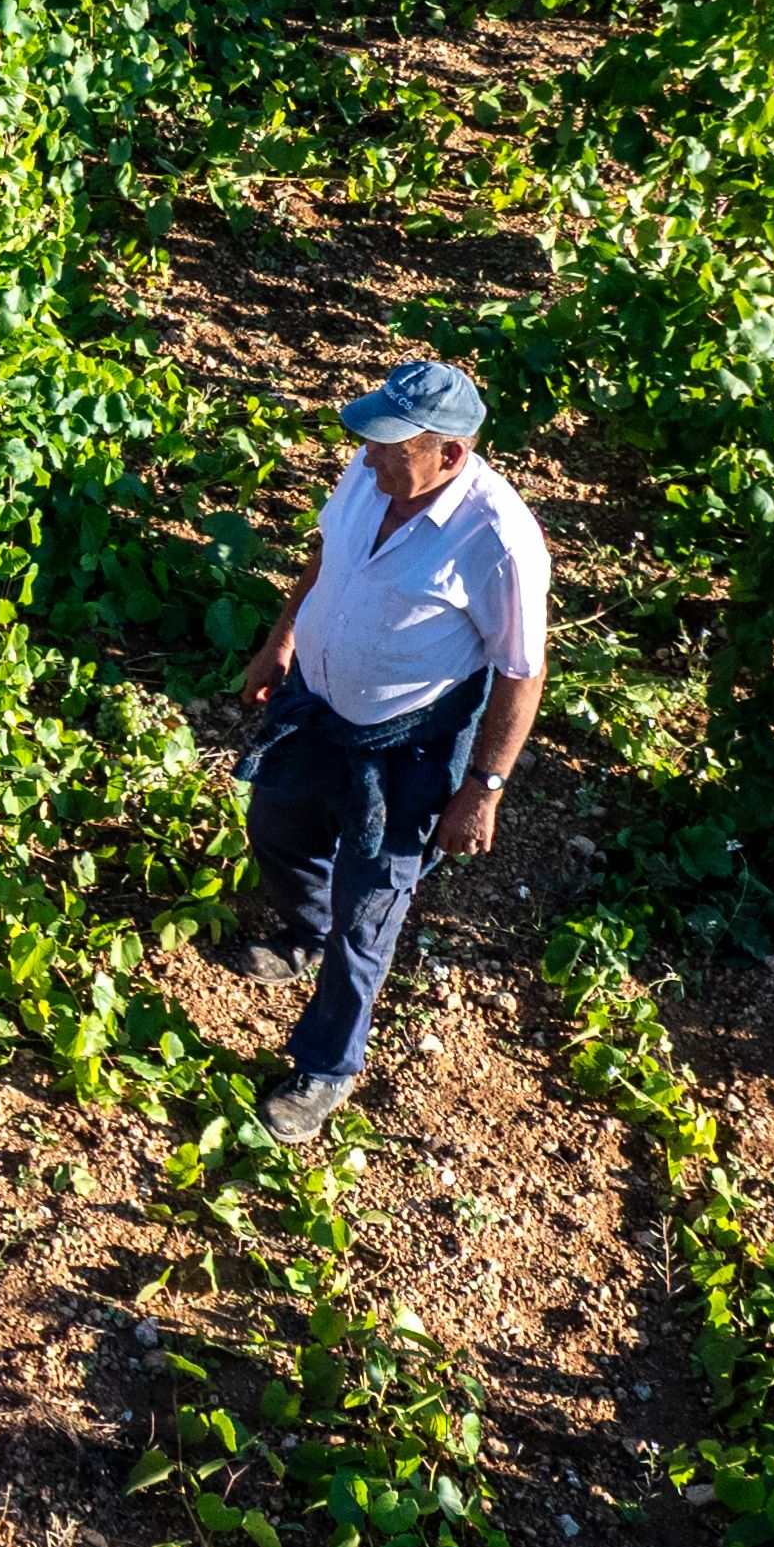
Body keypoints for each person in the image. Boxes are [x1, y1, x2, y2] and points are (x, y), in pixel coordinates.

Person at [228, 360, 552, 1147]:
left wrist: (484, 787)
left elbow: (522, 671)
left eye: (392, 446)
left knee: (369, 910)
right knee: (276, 825)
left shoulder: (499, 540)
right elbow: (326, 558)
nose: (369, 455)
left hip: (411, 745)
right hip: (318, 706)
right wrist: (280, 641)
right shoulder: (371, 473)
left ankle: (326, 1067)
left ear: (451, 454)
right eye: (370, 439)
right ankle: (304, 935)